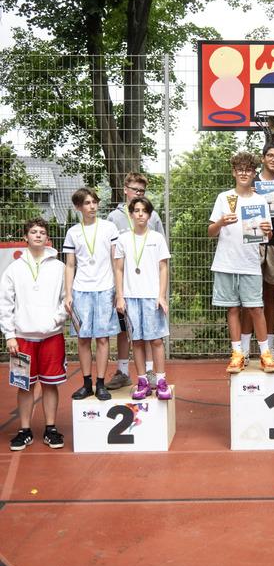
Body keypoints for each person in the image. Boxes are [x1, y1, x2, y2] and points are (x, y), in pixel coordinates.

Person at [0, 218, 67, 450]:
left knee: (50, 385)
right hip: (22, 338)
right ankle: (25, 430)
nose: (38, 235)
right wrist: (9, 334)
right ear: (26, 237)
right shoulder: (14, 269)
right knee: (24, 385)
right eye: (33, 232)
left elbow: (66, 299)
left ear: (47, 238)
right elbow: (5, 303)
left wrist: (54, 321)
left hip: (51, 336)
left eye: (42, 232)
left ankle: (51, 429)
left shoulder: (59, 267)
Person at [208, 151, 274, 374]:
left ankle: (265, 354)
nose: (244, 173)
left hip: (250, 263)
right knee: (232, 309)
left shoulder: (260, 201)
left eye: (248, 170)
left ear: (254, 173)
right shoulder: (223, 198)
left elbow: (267, 236)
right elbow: (210, 232)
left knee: (256, 308)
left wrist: (268, 230)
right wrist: (220, 222)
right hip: (226, 263)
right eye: (240, 170)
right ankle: (237, 354)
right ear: (234, 172)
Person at [106, 171, 165, 391]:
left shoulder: (153, 216)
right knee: (125, 329)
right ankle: (122, 371)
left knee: (149, 332)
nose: (138, 193)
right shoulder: (114, 218)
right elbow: (111, 253)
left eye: (142, 190)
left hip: (148, 286)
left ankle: (149, 372)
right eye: (135, 189)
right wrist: (116, 288)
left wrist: (160, 291)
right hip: (123, 285)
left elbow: (161, 255)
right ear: (125, 190)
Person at [64, 188, 120, 401]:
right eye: (87, 203)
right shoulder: (73, 232)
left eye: (94, 202)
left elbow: (116, 262)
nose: (92, 206)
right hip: (81, 291)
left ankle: (101, 383)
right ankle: (87, 384)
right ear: (78, 207)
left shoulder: (109, 227)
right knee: (83, 338)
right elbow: (70, 265)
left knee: (103, 338)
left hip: (105, 289)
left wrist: (118, 291)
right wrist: (68, 294)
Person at [114, 196, 172, 400]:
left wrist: (161, 296)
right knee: (137, 341)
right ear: (131, 214)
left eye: (144, 211)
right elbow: (118, 269)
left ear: (149, 215)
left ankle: (161, 381)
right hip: (131, 297)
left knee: (156, 340)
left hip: (151, 297)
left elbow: (163, 268)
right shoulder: (123, 239)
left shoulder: (157, 238)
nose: (140, 214)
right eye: (136, 210)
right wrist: (120, 297)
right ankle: (142, 381)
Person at [241, 141, 274, 365]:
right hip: (252, 243)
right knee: (250, 297)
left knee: (271, 295)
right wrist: (249, 196)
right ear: (263, 158)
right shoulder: (250, 182)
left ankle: (269, 348)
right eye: (270, 155)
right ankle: (243, 351)